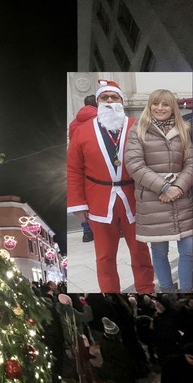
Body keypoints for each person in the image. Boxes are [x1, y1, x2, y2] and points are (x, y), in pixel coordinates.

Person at [67, 79, 155, 293]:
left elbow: (152, 162)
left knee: (140, 251)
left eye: (113, 97)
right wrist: (78, 204)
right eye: (104, 97)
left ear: (121, 101)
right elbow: (74, 169)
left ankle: (146, 289)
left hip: (133, 197)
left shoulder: (138, 126)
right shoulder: (82, 131)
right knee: (104, 256)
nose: (109, 101)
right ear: (97, 102)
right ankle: (110, 294)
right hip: (99, 199)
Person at [125, 89, 193, 293]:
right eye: (156, 104)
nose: (160, 108)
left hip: (182, 198)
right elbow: (134, 165)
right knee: (159, 251)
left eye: (165, 104)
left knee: (189, 250)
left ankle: (187, 291)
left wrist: (178, 187)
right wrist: (164, 187)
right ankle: (167, 290)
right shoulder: (137, 131)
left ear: (173, 107)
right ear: (149, 106)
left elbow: (190, 162)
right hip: (154, 200)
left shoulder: (183, 130)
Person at [69, 95, 98, 243]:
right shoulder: (99, 119)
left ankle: (87, 231)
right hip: (95, 163)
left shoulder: (74, 123)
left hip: (81, 164)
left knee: (84, 198)